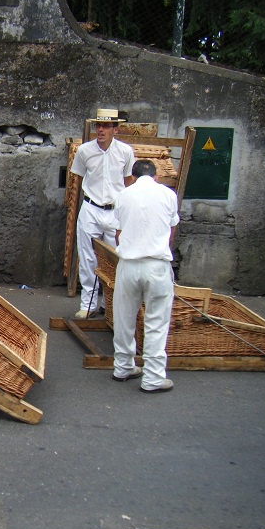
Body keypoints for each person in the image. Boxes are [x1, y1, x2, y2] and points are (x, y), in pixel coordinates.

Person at [111, 159, 179, 393]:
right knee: (156, 323)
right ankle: (153, 378)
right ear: (156, 176)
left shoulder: (124, 195)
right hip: (157, 265)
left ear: (132, 177)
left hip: (129, 264)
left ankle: (122, 367)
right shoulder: (168, 195)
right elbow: (171, 232)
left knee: (124, 318)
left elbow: (118, 234)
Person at [71, 108, 134, 318]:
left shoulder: (125, 152)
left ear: (115, 129)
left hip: (115, 210)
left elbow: (128, 183)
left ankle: (111, 305)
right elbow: (77, 180)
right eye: (98, 125)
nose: (100, 130)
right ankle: (88, 304)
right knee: (88, 258)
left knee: (114, 259)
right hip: (91, 207)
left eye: (106, 126)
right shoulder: (85, 151)